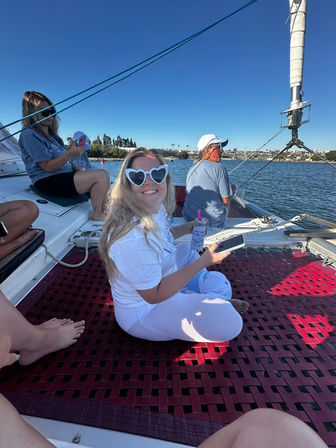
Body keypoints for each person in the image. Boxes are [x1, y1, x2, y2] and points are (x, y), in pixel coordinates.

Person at [99, 148, 248, 343]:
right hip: (145, 311)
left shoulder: (153, 206)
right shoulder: (130, 237)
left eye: (157, 174)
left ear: (165, 179)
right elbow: (154, 295)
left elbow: (162, 237)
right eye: (137, 177)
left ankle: (194, 296)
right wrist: (204, 261)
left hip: (160, 280)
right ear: (127, 184)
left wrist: (187, 228)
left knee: (186, 250)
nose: (149, 181)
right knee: (230, 322)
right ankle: (199, 297)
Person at [19, 91, 110, 221]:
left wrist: (79, 171)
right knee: (101, 175)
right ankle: (98, 214)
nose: (50, 115)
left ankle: (104, 210)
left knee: (103, 177)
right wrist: (70, 153)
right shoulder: (28, 135)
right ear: (32, 113)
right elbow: (47, 167)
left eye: (52, 112)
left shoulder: (53, 138)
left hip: (63, 177)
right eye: (45, 112)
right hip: (48, 181)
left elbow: (66, 162)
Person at [183, 134, 235, 227]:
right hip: (212, 222)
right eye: (218, 147)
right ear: (208, 150)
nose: (222, 151)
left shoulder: (191, 169)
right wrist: (232, 191)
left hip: (189, 218)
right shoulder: (220, 167)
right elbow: (226, 201)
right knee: (232, 188)